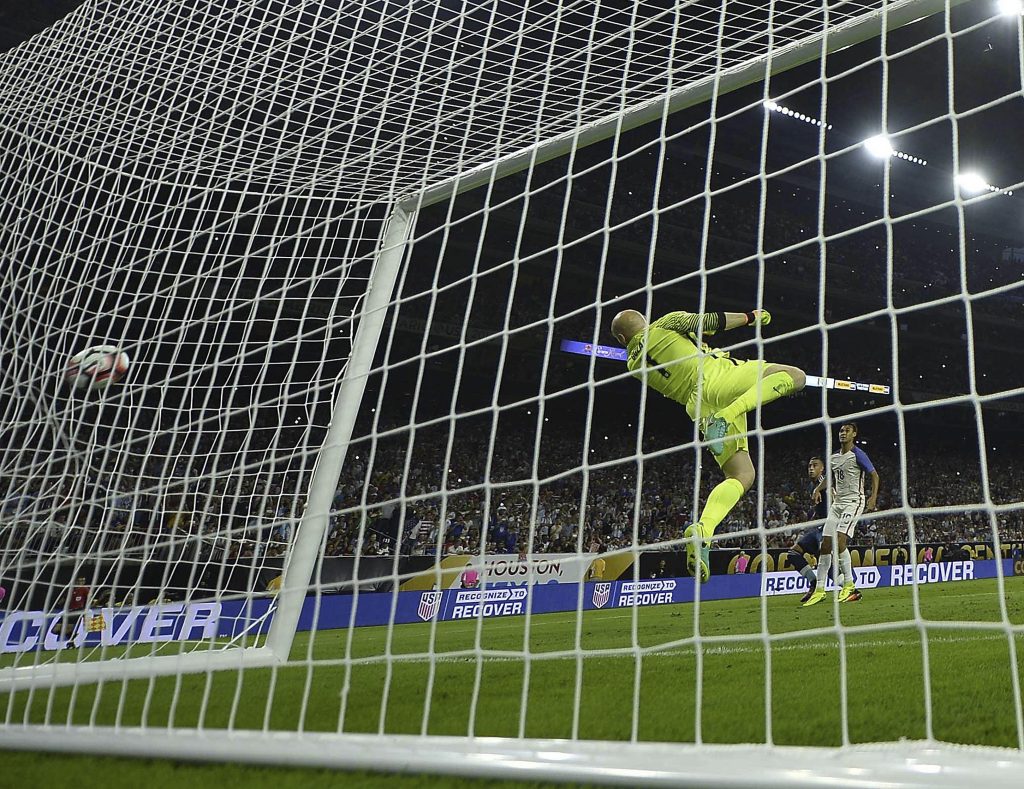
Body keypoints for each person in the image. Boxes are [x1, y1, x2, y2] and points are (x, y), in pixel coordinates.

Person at [611, 308, 806, 581]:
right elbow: (711, 321)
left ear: (622, 338)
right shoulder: (665, 323)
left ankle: (703, 530)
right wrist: (751, 317)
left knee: (742, 475)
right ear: (644, 320)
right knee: (796, 376)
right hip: (716, 376)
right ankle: (728, 415)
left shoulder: (633, 366)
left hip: (697, 406)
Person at [803, 423, 880, 607]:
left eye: (847, 431)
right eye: (841, 431)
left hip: (854, 501)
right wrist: (817, 489)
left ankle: (850, 586)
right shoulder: (834, 458)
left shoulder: (858, 454)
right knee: (825, 545)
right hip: (837, 504)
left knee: (839, 542)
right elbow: (830, 479)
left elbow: (874, 475)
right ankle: (820, 590)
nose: (843, 433)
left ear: (854, 433)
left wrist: (873, 497)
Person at [787, 456, 828, 603]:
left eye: (815, 465)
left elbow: (832, 481)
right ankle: (814, 582)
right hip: (818, 528)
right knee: (793, 553)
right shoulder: (813, 486)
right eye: (809, 465)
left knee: (827, 565)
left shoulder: (824, 481)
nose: (811, 468)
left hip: (829, 528)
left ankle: (850, 588)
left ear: (822, 468)